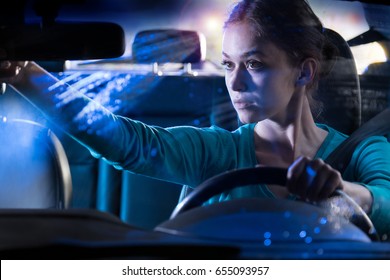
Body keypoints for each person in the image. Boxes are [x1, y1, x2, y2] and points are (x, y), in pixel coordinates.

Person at [1, 0, 389, 238]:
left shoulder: (364, 151)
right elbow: (128, 142)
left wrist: (343, 192)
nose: (234, 82)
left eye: (254, 64)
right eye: (228, 65)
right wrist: (22, 73)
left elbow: (386, 201)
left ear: (303, 72)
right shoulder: (218, 150)